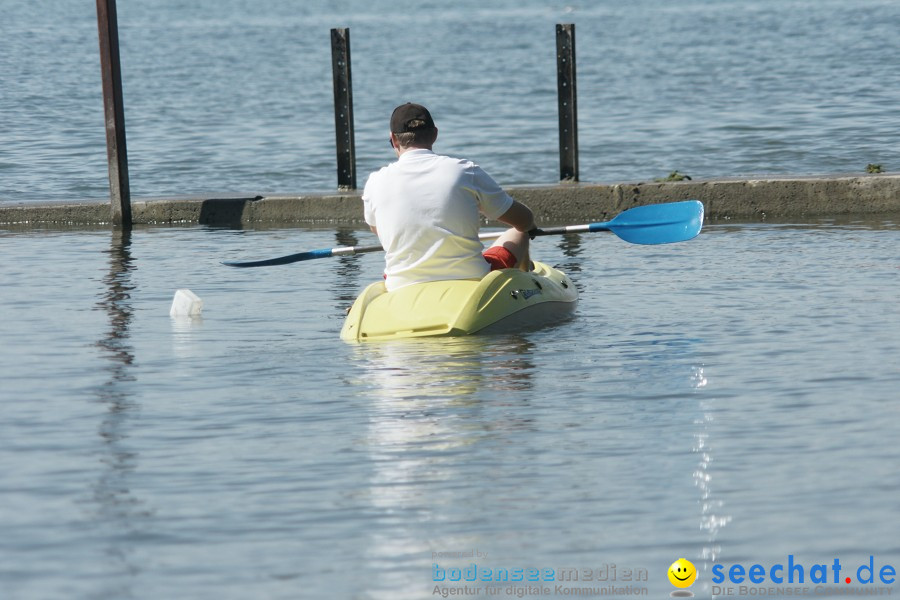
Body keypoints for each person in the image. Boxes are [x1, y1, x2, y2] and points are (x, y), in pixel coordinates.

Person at [362, 102, 537, 292]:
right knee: (520, 231)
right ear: (435, 134)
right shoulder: (465, 171)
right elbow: (524, 220)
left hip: (400, 285)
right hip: (472, 279)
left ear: (394, 140)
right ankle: (528, 285)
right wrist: (529, 226)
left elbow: (377, 229)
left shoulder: (375, 181)